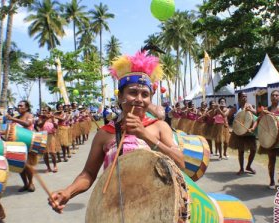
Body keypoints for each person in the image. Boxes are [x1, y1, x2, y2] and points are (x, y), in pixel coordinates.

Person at [48, 51, 185, 213]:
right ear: (120, 97)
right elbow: (89, 173)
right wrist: (68, 192)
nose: (139, 99)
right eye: (133, 92)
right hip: (116, 209)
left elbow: (181, 163)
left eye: (145, 94)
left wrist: (145, 135)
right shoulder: (105, 134)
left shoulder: (160, 127)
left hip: (155, 209)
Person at [252, 90, 279, 189]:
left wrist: (268, 113)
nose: (274, 97)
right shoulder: (266, 109)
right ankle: (272, 181)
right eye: (273, 95)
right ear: (270, 98)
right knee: (272, 160)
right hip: (271, 137)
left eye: (277, 95)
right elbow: (258, 119)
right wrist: (253, 128)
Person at [5, 100, 36, 192]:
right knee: (20, 166)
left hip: (28, 144)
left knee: (28, 166)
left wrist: (12, 119)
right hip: (17, 145)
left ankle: (31, 183)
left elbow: (27, 124)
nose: (19, 107)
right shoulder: (16, 117)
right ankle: (25, 184)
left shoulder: (29, 115)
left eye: (21, 106)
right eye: (18, 105)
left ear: (26, 108)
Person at [229, 92, 257, 175]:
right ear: (239, 98)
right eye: (243, 96)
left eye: (246, 96)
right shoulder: (236, 107)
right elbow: (229, 115)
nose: (245, 98)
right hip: (240, 132)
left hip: (249, 131)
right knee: (241, 151)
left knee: (253, 150)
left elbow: (256, 112)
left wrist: (251, 110)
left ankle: (248, 166)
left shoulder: (249, 105)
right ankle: (241, 168)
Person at [37, 106, 58, 173]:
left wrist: (53, 120)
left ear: (49, 111)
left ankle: (55, 166)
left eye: (45, 110)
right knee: (45, 153)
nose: (43, 111)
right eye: (42, 110)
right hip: (43, 136)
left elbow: (56, 126)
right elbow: (39, 125)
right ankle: (48, 167)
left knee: (52, 152)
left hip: (50, 136)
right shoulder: (40, 118)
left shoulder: (52, 118)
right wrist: (45, 119)